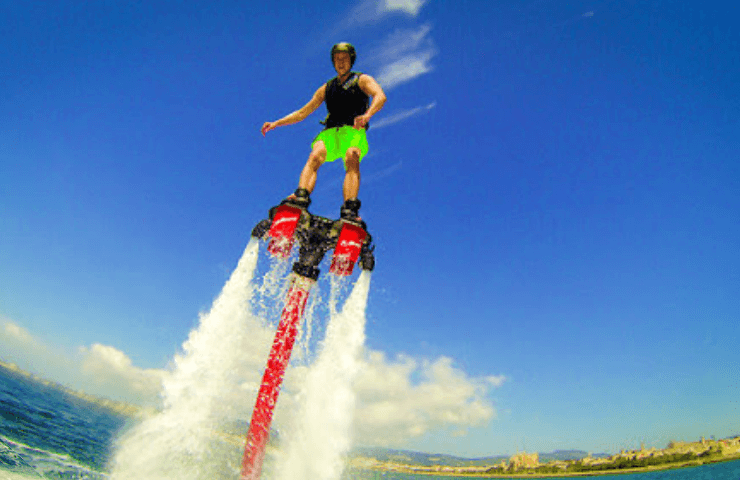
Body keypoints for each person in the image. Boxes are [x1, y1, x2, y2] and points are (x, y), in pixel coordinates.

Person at [261, 42, 387, 220]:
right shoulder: (326, 88)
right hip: (330, 132)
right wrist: (276, 123)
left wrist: (367, 115)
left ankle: (350, 208)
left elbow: (380, 96)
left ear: (351, 60)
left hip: (352, 131)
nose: (340, 63)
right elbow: (302, 112)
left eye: (344, 59)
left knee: (352, 156)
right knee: (315, 154)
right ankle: (301, 196)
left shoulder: (362, 79)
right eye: (336, 60)